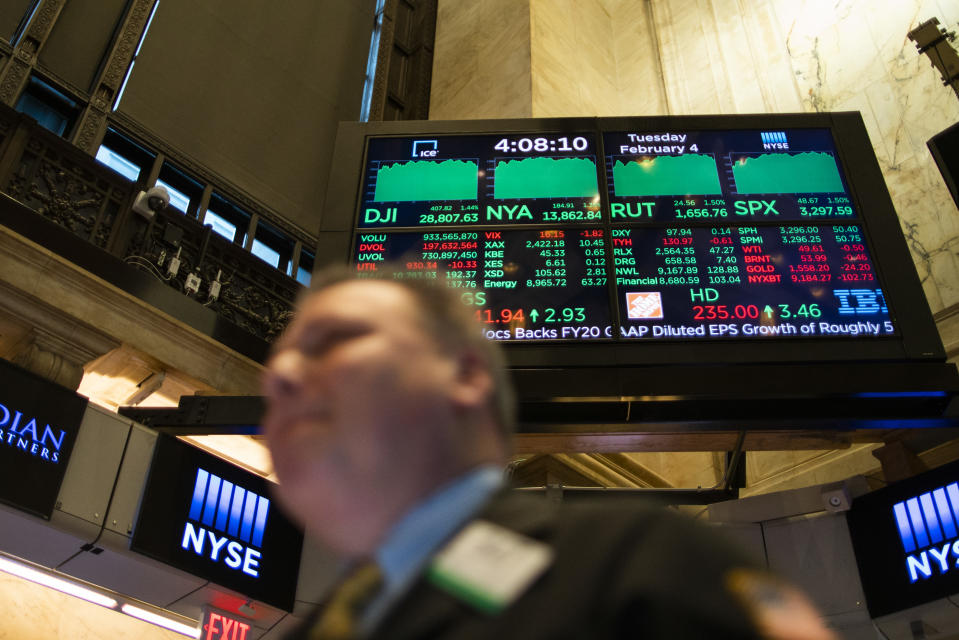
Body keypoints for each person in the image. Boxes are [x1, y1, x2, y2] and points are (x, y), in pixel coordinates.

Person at [261, 267, 836, 640]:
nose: (281, 374)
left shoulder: (644, 561)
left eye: (335, 340)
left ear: (463, 373)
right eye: (282, 354)